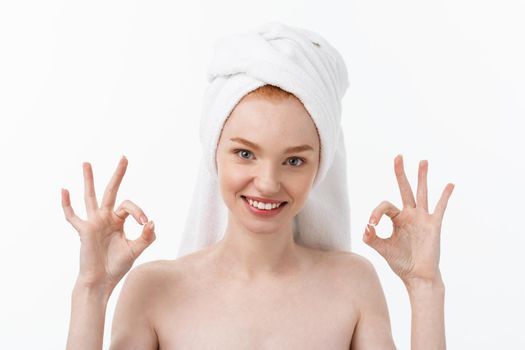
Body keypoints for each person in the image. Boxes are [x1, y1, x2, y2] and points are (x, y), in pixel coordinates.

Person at [63, 26, 454, 350]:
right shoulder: (154, 290)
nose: (267, 183)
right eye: (245, 154)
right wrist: (91, 290)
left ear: (321, 166)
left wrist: (424, 286)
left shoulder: (352, 284)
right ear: (214, 152)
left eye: (294, 160)